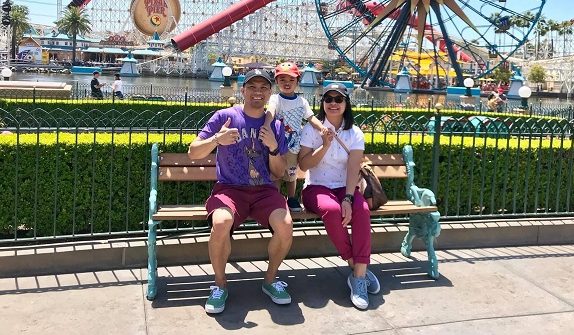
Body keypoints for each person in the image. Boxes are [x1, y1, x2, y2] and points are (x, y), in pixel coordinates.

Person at [188, 69, 293, 314]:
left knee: (286, 225)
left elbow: (278, 173)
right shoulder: (225, 116)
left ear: (269, 93)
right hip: (230, 189)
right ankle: (220, 285)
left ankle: (270, 280)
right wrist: (216, 140)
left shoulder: (275, 126)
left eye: (263, 88)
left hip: (264, 191)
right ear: (243, 90)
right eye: (252, 87)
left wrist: (274, 148)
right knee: (222, 222)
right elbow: (193, 152)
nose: (258, 92)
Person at [298, 83, 380, 310]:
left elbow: (354, 168)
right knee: (332, 211)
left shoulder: (354, 133)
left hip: (345, 188)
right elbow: (303, 165)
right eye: (328, 99)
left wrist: (348, 199)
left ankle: (359, 277)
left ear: (346, 104)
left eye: (338, 99)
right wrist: (324, 145)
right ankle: (358, 269)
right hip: (317, 187)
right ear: (323, 103)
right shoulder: (311, 130)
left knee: (362, 211)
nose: (333, 103)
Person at [264, 62, 328, 211]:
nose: (287, 83)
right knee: (276, 173)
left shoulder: (302, 101)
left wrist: (322, 128)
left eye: (291, 80)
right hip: (277, 143)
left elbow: (311, 118)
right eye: (282, 80)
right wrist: (267, 124)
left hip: (294, 145)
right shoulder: (275, 99)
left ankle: (292, 198)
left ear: (297, 82)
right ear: (277, 82)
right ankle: (276, 197)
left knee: (292, 173)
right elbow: (270, 111)